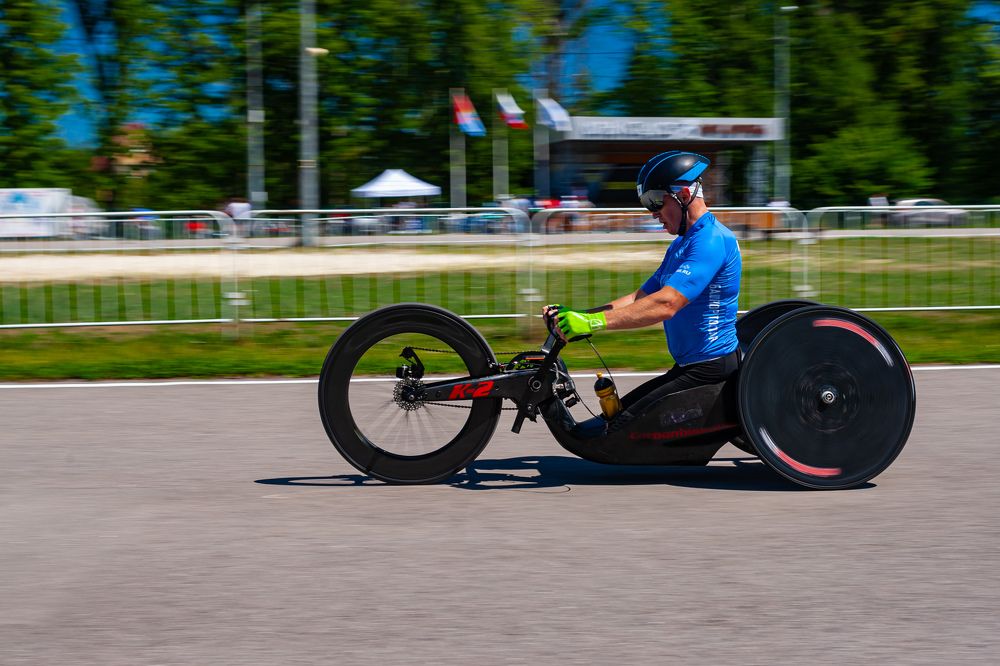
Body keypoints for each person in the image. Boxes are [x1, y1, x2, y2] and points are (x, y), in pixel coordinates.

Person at [543, 150, 742, 429]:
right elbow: (640, 298)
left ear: (684, 194)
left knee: (616, 435)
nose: (653, 213)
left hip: (710, 370)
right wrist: (578, 317)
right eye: (647, 203)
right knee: (610, 424)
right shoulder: (682, 244)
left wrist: (591, 322)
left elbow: (666, 304)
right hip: (689, 368)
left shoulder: (712, 240)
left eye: (656, 201)